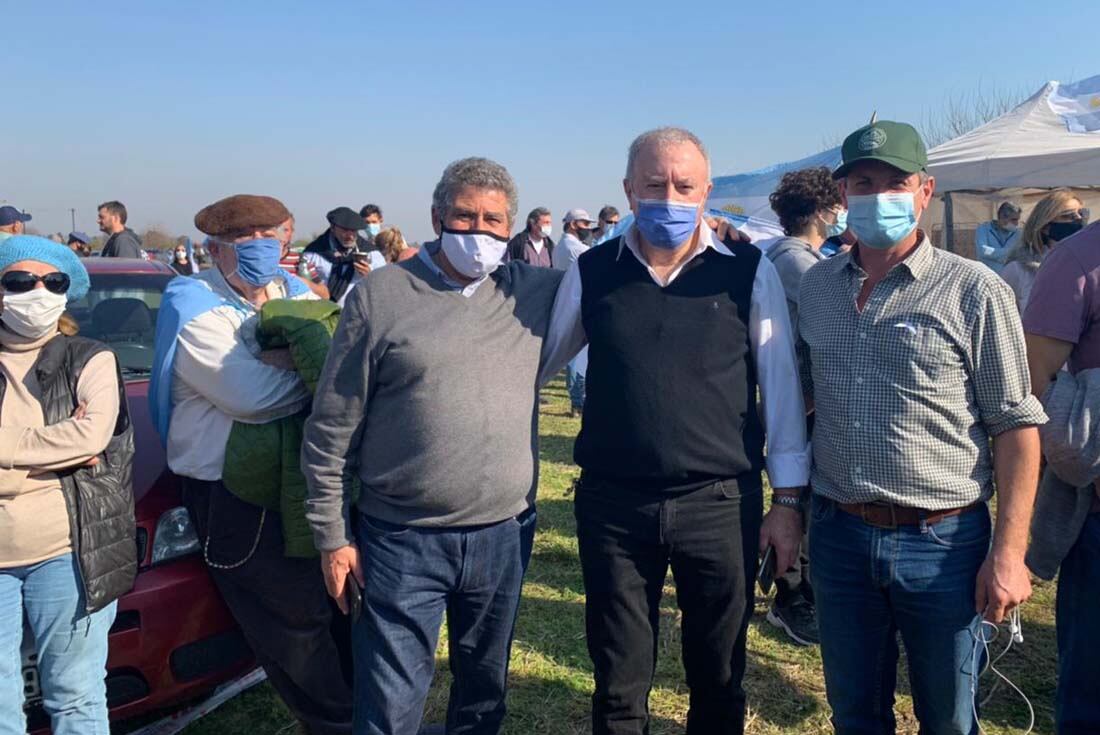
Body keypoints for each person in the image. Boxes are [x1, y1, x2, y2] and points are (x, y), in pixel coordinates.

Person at [542, 127, 810, 734]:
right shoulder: (593, 271)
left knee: (718, 678)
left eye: (684, 185)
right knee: (618, 681)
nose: (670, 196)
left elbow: (781, 386)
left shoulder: (746, 270)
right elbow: (536, 363)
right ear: (629, 190)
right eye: (655, 184)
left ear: (706, 190)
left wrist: (787, 501)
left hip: (718, 503)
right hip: (614, 507)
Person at [797, 120, 1047, 735]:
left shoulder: (975, 291)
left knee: (948, 717)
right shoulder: (816, 288)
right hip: (839, 535)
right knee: (855, 713)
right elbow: (804, 401)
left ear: (926, 190)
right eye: (863, 182)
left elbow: (1016, 426)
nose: (879, 194)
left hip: (943, 543)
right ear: (842, 193)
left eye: (896, 182)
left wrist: (1010, 554)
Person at [302, 157, 564, 735]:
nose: (479, 233)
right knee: (392, 702)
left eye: (494, 221)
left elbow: (617, 276)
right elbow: (331, 428)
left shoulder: (532, 292)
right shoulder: (381, 295)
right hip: (401, 538)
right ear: (436, 217)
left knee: (483, 694)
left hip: (503, 533)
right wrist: (333, 536)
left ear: (512, 227)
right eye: (464, 217)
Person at [149, 195, 352, 735]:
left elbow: (344, 346)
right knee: (291, 619)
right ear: (215, 251)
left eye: (270, 238)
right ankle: (336, 724)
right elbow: (252, 396)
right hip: (236, 492)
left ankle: (366, 715)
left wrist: (297, 359)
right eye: (244, 243)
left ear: (286, 240)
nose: (261, 250)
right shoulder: (194, 305)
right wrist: (310, 366)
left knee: (336, 603)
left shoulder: (294, 291)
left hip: (304, 477)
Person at [0, 236, 136, 735]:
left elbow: (91, 435)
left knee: (76, 697)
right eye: (19, 281)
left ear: (66, 291)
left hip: (66, 551)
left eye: (51, 282)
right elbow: (73, 443)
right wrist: (52, 448)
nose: (37, 291)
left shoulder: (90, 358)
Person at [1021, 217, 1100, 734]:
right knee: (1090, 694)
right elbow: (1032, 383)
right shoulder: (1074, 262)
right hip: (1097, 519)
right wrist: (1083, 453)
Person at [761, 165, 845, 647]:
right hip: (805, 403)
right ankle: (790, 597)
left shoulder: (802, 257)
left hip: (804, 400)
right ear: (817, 210)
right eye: (835, 204)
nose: (840, 213)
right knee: (800, 505)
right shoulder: (798, 264)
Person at [1001, 190, 1087, 314]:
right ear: (1046, 227)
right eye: (1068, 216)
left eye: (1082, 213)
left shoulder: (1090, 265)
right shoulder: (1018, 269)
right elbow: (1004, 318)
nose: (1079, 220)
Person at [552, 209, 596, 416]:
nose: (587, 228)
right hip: (580, 304)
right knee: (580, 359)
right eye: (584, 224)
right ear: (572, 224)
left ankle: (576, 400)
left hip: (568, 302)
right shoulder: (576, 248)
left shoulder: (560, 246)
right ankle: (579, 401)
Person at [302, 207, 378, 304]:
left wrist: (369, 276)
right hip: (321, 312)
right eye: (345, 230)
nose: (350, 236)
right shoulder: (313, 254)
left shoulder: (372, 254)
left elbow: (384, 286)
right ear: (333, 228)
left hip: (358, 313)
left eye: (354, 231)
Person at [277, 215, 329, 299]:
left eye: (285, 230)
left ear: (292, 232)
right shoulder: (257, 260)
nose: (280, 235)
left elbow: (325, 294)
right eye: (276, 230)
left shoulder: (301, 260)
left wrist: (303, 283)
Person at [974, 201, 1021, 274]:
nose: (1017, 223)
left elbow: (1021, 254)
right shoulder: (984, 229)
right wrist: (1010, 252)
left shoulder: (1018, 233)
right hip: (988, 276)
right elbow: (983, 251)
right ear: (1002, 218)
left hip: (1010, 279)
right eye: (1014, 220)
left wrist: (994, 253)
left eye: (1018, 220)